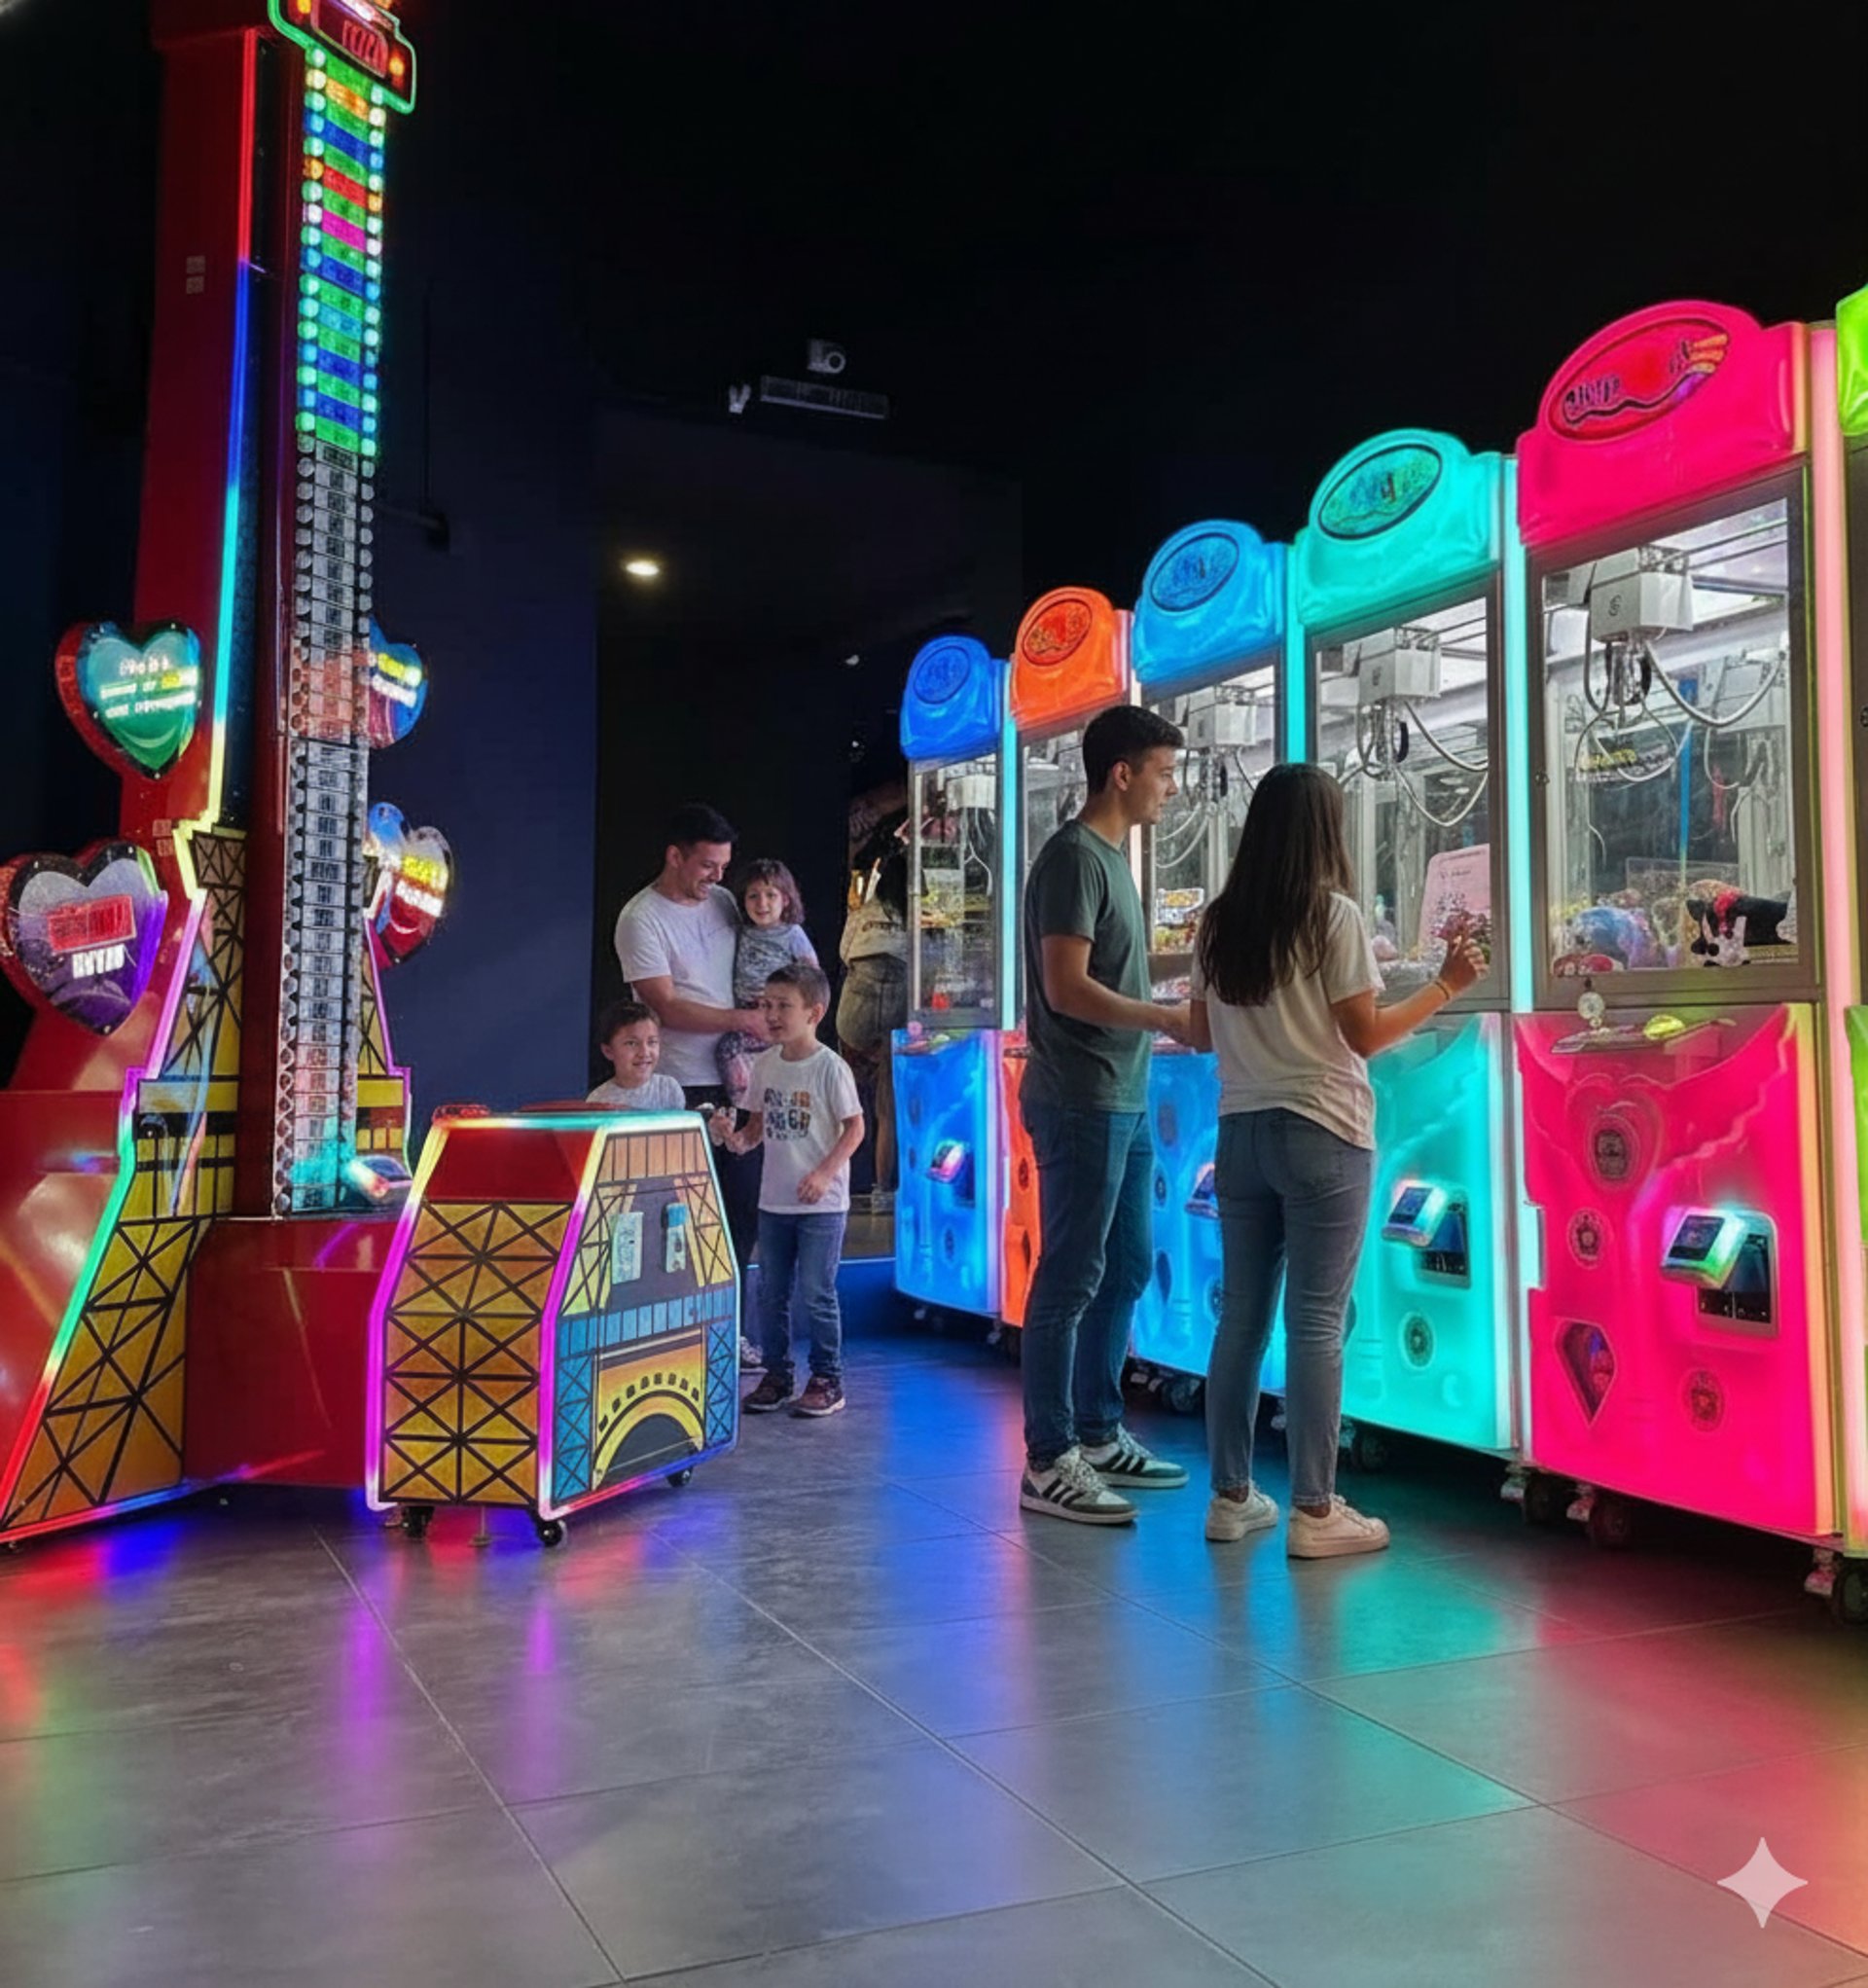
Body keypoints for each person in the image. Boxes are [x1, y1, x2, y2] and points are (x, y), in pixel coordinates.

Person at [1190, 762, 1482, 1559]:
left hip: (1240, 1133)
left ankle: (1230, 1496)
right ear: (1324, 830)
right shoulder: (1332, 915)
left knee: (1241, 1318)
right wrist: (1447, 984)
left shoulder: (1219, 923)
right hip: (1323, 1130)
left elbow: (1202, 1030)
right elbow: (1366, 1034)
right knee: (1317, 1320)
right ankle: (1315, 1510)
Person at [1018, 703, 1193, 1526]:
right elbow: (1067, 987)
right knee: (1071, 1274)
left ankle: (1096, 1427)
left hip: (1122, 1093)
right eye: (1163, 771)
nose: (1171, 787)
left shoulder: (1113, 860)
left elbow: (1107, 975)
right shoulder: (1074, 859)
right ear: (1122, 773)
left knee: (1125, 1265)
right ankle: (1048, 1455)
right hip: (1081, 1096)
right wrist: (1163, 1017)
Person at [615, 802, 768, 1368]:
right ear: (674, 857)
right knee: (682, 1219)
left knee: (741, 1213)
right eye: (707, 865)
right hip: (682, 1086)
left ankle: (732, 1331)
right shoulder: (641, 917)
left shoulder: (726, 902)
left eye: (723, 866)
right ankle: (679, 1335)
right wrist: (743, 1019)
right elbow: (665, 1005)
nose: (717, 877)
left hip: (741, 1080)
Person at [724, 961, 864, 1419]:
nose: (772, 1015)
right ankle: (777, 1374)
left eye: (784, 1006)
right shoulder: (765, 1065)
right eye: (766, 1005)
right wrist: (733, 1139)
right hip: (775, 1201)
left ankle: (827, 1378)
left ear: (814, 1012)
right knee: (771, 1292)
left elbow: (855, 1129)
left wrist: (824, 1173)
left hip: (822, 1205)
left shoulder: (829, 1068)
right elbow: (755, 1130)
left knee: (816, 1291)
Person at [836, 848, 908, 1205]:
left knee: (844, 1104)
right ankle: (885, 1188)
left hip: (855, 1014)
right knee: (887, 1107)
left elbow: (843, 952)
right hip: (899, 1009)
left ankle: (841, 1184)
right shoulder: (916, 915)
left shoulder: (863, 911)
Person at [717, 858, 817, 1106]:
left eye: (770, 895)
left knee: (782, 1066)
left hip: (778, 1013)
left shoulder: (792, 933)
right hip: (746, 1013)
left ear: (786, 899)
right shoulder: (742, 931)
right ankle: (747, 1105)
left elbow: (812, 976)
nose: (762, 904)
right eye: (753, 896)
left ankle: (770, 1105)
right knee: (730, 1049)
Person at [587, 999, 686, 1112]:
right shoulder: (599, 1100)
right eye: (632, 1043)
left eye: (651, 1042)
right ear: (608, 1051)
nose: (644, 1052)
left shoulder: (668, 1088)